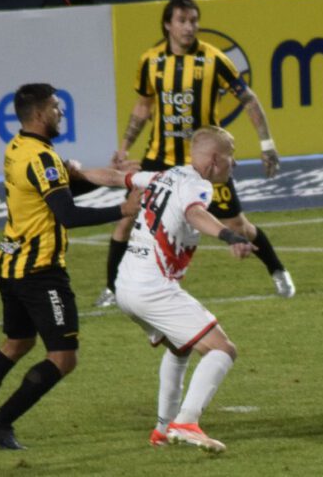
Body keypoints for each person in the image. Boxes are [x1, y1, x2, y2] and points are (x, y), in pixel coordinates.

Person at [0, 83, 138, 450]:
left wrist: (105, 182)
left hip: (10, 266)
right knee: (63, 357)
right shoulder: (43, 158)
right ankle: (0, 423)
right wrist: (122, 210)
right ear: (38, 114)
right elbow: (66, 214)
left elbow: (56, 196)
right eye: (55, 107)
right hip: (40, 273)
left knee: (16, 344)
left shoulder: (18, 148)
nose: (61, 112)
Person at [99, 0, 295, 308]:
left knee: (237, 226)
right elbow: (143, 105)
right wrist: (123, 148)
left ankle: (277, 269)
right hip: (160, 157)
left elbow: (248, 99)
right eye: (182, 21)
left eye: (193, 20)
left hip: (207, 161)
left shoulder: (214, 59)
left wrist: (267, 144)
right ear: (168, 24)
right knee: (127, 219)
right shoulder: (150, 60)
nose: (190, 27)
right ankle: (111, 288)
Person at [117, 126, 253, 453]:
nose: (233, 165)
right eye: (231, 157)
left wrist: (74, 172)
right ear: (215, 158)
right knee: (222, 349)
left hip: (126, 285)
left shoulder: (163, 175)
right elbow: (195, 213)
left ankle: (164, 429)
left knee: (180, 347)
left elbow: (111, 177)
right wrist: (229, 236)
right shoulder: (197, 185)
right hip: (152, 288)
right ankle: (187, 422)